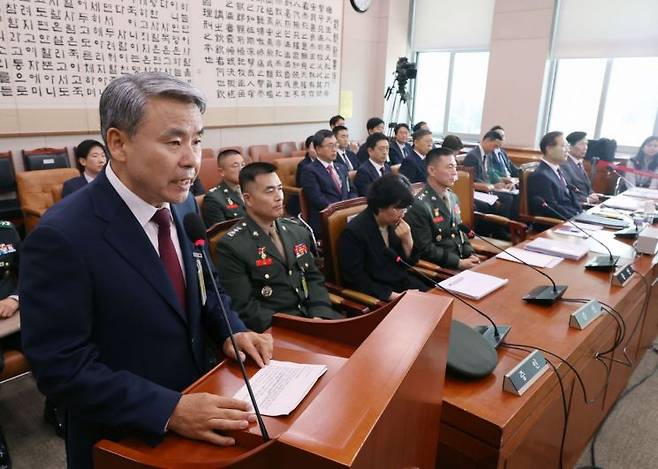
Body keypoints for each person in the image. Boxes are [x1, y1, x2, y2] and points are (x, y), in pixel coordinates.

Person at [19, 72, 273, 468]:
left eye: (197, 140)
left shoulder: (184, 205)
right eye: (174, 142)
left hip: (202, 410)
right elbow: (60, 369)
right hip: (124, 441)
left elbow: (206, 284)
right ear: (118, 143)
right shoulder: (62, 236)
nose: (192, 159)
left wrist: (232, 329)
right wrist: (170, 409)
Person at [215, 163, 341, 332]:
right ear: (248, 199)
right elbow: (245, 307)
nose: (279, 197)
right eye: (269, 191)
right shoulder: (232, 245)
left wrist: (319, 313)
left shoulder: (296, 231)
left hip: (315, 319)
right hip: (278, 331)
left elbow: (313, 277)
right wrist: (296, 328)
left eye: (280, 188)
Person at [339, 175, 428, 301]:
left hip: (403, 284)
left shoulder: (395, 223)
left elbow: (408, 264)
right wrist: (394, 297)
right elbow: (355, 279)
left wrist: (407, 240)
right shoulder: (354, 232)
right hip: (379, 295)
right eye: (397, 208)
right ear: (380, 204)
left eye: (404, 208)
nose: (402, 213)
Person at [405, 148, 480, 270]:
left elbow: (459, 231)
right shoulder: (420, 205)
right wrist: (458, 263)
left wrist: (470, 253)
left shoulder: (452, 197)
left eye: (455, 167)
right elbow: (425, 248)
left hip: (462, 261)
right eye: (449, 167)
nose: (454, 172)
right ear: (432, 170)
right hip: (443, 267)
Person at [299, 129, 357, 235]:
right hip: (325, 220)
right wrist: (340, 212)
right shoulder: (309, 171)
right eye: (330, 146)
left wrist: (351, 207)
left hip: (346, 216)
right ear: (318, 149)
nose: (334, 149)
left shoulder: (342, 167)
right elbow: (318, 200)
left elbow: (352, 190)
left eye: (335, 145)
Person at [0, 220, 21, 469]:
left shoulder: (6, 230)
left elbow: (32, 269)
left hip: (11, 313)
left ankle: (55, 409)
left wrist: (16, 298)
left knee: (47, 343)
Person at [528, 131, 582, 220]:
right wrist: (575, 218)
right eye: (563, 146)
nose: (567, 150)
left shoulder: (560, 171)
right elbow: (551, 209)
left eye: (567, 146)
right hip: (554, 224)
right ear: (549, 149)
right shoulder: (541, 176)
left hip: (572, 217)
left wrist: (581, 214)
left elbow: (569, 199)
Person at [202, 149, 246, 227]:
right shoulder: (213, 199)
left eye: (243, 165)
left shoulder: (251, 190)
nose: (241, 169)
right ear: (222, 172)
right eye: (235, 166)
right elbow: (219, 236)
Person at [561, 131, 598, 206]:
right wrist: (587, 200)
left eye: (586, 144)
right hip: (578, 205)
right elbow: (567, 190)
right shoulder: (564, 164)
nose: (585, 148)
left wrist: (592, 194)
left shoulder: (579, 163)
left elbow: (587, 187)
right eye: (581, 144)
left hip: (589, 204)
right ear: (570, 146)